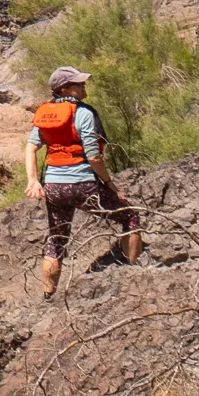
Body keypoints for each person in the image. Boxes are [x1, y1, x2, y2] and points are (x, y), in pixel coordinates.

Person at [31, 66, 139, 299]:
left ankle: (48, 295)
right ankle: (134, 275)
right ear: (65, 89)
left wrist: (32, 180)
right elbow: (94, 155)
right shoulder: (83, 113)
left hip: (53, 186)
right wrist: (109, 182)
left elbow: (31, 147)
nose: (83, 87)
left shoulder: (45, 114)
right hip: (82, 183)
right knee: (130, 215)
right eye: (78, 84)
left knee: (56, 239)